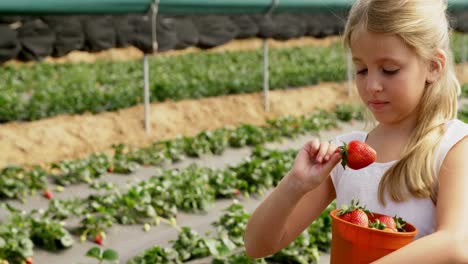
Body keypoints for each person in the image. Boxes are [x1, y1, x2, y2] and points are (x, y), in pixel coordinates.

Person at [244, 0, 468, 263]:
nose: (372, 84)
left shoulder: (453, 147)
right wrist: (295, 185)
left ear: (433, 66)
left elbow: (455, 243)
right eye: (361, 69)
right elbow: (257, 245)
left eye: (389, 70)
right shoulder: (346, 155)